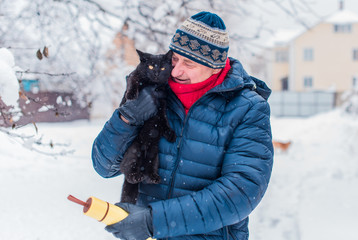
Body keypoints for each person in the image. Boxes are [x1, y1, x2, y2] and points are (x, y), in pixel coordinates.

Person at [92, 11, 274, 240]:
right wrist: (127, 117)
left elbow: (240, 192)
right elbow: (104, 167)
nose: (176, 71)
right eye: (174, 59)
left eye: (188, 63)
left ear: (216, 66)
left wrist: (154, 221)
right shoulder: (151, 91)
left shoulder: (247, 108)